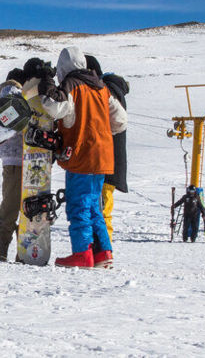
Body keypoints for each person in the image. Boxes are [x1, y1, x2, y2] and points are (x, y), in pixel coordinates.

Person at [38, 46, 127, 268]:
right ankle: (104, 252)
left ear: (63, 67)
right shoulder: (101, 87)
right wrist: (103, 134)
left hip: (81, 153)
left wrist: (46, 82)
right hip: (104, 156)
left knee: (78, 206)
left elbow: (54, 106)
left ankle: (82, 253)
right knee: (94, 207)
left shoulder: (72, 85)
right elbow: (121, 121)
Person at [85, 55, 130, 241]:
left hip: (106, 163)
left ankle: (103, 251)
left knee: (101, 211)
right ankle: (100, 250)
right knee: (100, 209)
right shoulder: (113, 90)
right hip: (108, 163)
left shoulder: (108, 91)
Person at [0, 68, 26, 262]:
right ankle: (5, 250)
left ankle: (4, 249)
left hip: (14, 159)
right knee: (13, 206)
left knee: (12, 205)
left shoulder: (5, 100)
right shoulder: (14, 98)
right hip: (17, 159)